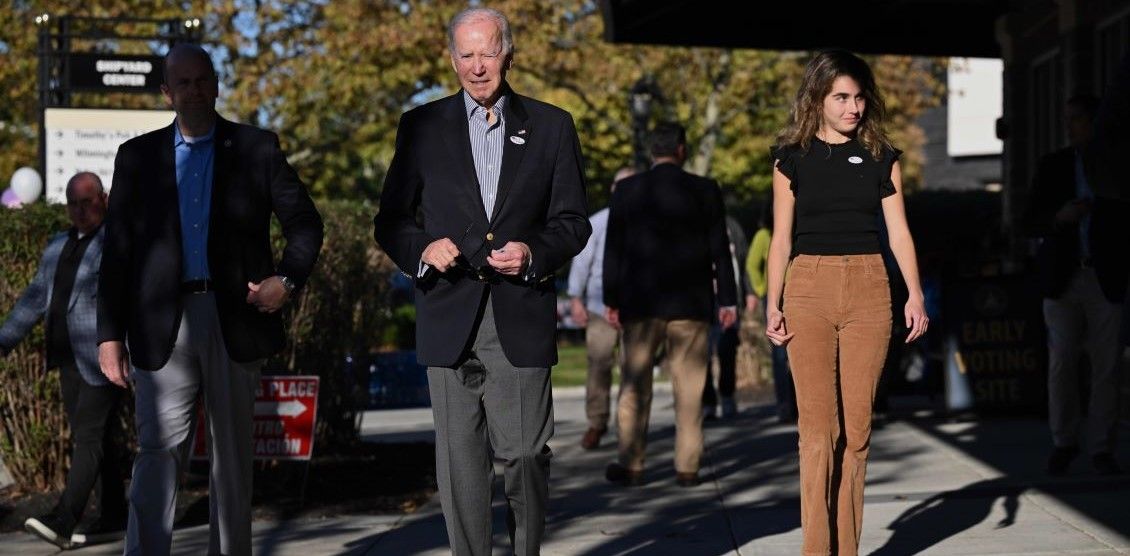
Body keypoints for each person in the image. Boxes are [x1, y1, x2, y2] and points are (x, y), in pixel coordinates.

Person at [372, 7, 590, 555]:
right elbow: (391, 221)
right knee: (461, 464)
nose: (476, 66)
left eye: (487, 52)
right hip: (447, 311)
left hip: (518, 310)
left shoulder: (552, 125)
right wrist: (422, 248)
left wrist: (534, 251)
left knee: (523, 454)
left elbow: (572, 222)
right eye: (465, 55)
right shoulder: (420, 127)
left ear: (508, 56)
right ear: (451, 60)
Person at [97, 44, 324, 555]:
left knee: (233, 459)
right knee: (156, 453)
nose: (194, 91)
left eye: (202, 81)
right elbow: (118, 254)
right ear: (166, 93)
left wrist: (285, 280)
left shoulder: (255, 148)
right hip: (162, 326)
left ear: (216, 85)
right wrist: (109, 334)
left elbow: (305, 224)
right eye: (183, 83)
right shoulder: (137, 158)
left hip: (234, 321)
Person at [765, 50, 927, 556]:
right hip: (807, 287)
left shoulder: (882, 157)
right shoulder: (790, 158)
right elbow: (780, 237)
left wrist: (915, 294)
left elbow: (899, 233)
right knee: (817, 433)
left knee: (856, 431)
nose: (853, 107)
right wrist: (772, 303)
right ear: (817, 99)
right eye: (841, 97)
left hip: (870, 287)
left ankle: (847, 549)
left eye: (859, 97)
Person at [603, 121, 737, 488]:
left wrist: (610, 298)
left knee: (633, 387)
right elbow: (719, 253)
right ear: (682, 150)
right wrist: (727, 299)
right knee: (690, 390)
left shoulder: (627, 190)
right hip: (690, 304)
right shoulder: (706, 190)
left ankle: (632, 463)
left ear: (651, 152)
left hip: (640, 303)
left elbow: (613, 250)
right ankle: (688, 467)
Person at [0, 173, 128, 549]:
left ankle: (64, 518)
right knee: (98, 436)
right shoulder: (58, 245)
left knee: (88, 437)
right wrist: (5, 339)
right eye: (73, 203)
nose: (79, 210)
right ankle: (114, 515)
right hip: (66, 358)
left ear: (103, 199)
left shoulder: (117, 242)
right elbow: (35, 298)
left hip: (105, 358)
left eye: (86, 202)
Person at [1024, 94, 1125, 476]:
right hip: (1063, 278)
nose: (1070, 126)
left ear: (1095, 122)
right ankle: (1063, 441)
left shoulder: (1115, 165)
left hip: (1105, 276)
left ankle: (1102, 447)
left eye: (1077, 119)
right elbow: (1029, 220)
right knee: (1062, 361)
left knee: (1107, 365)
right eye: (1066, 119)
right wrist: (1059, 217)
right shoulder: (1054, 166)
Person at [568, 167, 635, 450]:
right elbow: (581, 263)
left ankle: (629, 428)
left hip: (636, 310)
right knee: (599, 366)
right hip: (599, 306)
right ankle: (596, 423)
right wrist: (575, 298)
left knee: (633, 369)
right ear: (612, 189)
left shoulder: (645, 223)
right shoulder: (597, 223)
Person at [746, 200, 797, 422]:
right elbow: (751, 265)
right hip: (776, 296)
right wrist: (761, 289)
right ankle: (785, 403)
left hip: (798, 294)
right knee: (779, 354)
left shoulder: (799, 233)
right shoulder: (763, 236)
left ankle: (799, 402)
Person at [702, 214, 753, 420]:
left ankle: (727, 395)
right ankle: (707, 401)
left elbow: (744, 260)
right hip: (704, 301)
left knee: (727, 349)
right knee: (702, 353)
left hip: (729, 298)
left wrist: (749, 292)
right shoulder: (696, 224)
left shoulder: (732, 227)